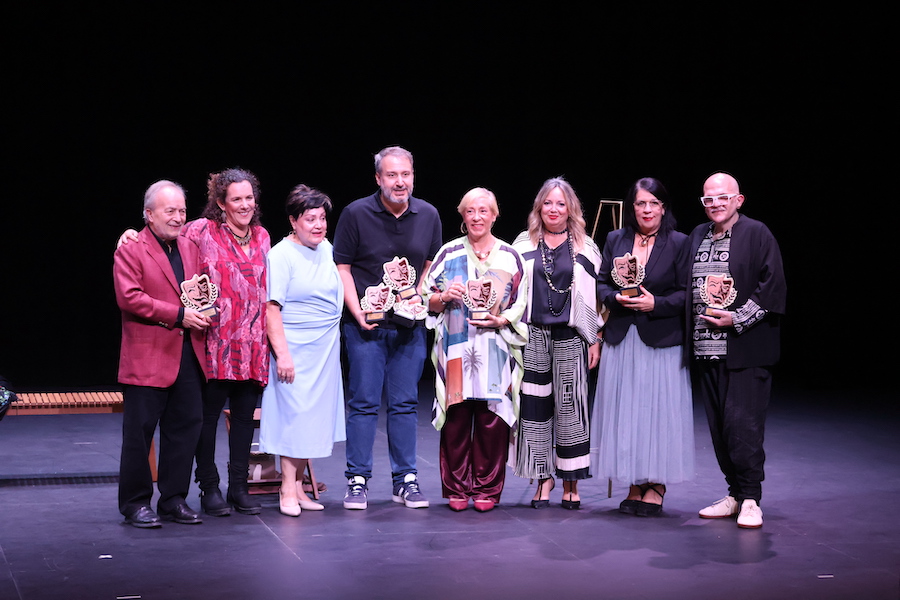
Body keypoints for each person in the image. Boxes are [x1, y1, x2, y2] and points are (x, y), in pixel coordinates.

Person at [119, 168, 271, 516]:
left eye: (181, 210)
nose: (177, 217)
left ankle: (187, 496)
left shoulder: (237, 239)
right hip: (180, 347)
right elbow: (134, 287)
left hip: (220, 348)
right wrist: (129, 233)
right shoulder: (163, 240)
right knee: (164, 429)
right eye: (236, 199)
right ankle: (160, 498)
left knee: (192, 427)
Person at [333, 146, 443, 510]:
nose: (400, 182)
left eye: (406, 174)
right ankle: (357, 480)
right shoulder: (356, 213)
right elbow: (342, 267)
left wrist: (419, 298)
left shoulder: (428, 214)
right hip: (366, 326)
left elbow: (430, 264)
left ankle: (405, 480)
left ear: (413, 176)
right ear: (378, 178)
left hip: (409, 327)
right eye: (392, 175)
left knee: (405, 403)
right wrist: (357, 313)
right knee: (364, 402)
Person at [590, 177, 694, 517]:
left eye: (653, 203)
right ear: (632, 207)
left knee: (657, 411)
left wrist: (656, 304)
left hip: (660, 339)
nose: (647, 210)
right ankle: (635, 482)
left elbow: (687, 293)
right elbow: (601, 282)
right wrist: (613, 298)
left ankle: (656, 483)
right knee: (627, 411)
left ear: (663, 207)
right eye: (640, 203)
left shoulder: (679, 242)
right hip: (623, 337)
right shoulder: (615, 239)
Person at [689, 172, 786, 529]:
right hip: (705, 349)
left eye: (723, 197)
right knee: (719, 430)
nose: (715, 204)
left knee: (743, 427)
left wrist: (737, 318)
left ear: (738, 200)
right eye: (709, 199)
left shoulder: (757, 233)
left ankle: (750, 499)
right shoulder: (698, 236)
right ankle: (734, 494)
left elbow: (772, 285)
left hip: (745, 349)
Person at [422, 188, 528, 512]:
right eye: (471, 211)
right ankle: (456, 487)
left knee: (491, 420)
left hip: (495, 348)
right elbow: (426, 298)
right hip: (457, 347)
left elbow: (522, 304)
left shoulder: (510, 256)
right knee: (456, 420)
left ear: (495, 215)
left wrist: (502, 319)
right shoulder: (448, 253)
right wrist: (444, 297)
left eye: (484, 211)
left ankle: (487, 488)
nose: (477, 217)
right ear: (463, 216)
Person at [113, 180, 209, 528]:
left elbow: (199, 290)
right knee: (139, 434)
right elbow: (130, 298)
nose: (178, 217)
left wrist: (205, 311)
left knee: (184, 429)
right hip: (148, 354)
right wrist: (179, 315)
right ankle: (135, 503)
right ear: (149, 214)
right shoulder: (131, 248)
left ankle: (174, 499)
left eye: (182, 210)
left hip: (187, 353)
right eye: (170, 211)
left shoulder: (189, 247)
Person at [512, 177, 603, 509]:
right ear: (539, 207)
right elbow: (510, 289)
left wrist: (594, 339)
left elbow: (595, 297)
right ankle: (542, 477)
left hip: (572, 335)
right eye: (548, 203)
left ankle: (571, 481)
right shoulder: (522, 244)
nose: (554, 209)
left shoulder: (585, 246)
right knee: (534, 410)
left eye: (560, 204)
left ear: (570, 209)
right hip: (533, 334)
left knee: (571, 409)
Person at [260, 185, 346, 516]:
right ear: (293, 221)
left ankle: (298, 487)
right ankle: (286, 488)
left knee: (310, 418)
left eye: (322, 218)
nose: (318, 225)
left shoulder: (326, 248)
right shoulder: (281, 255)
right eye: (310, 219)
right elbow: (272, 308)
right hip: (295, 347)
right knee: (294, 417)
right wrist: (282, 354)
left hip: (323, 349)